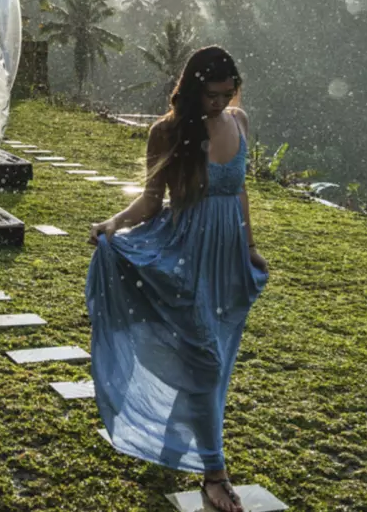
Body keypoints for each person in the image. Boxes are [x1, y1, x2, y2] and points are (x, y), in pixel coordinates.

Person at [86, 45, 269, 512]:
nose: (221, 104)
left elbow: (239, 189)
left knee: (217, 353)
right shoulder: (166, 133)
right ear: (192, 89)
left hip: (227, 258)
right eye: (212, 95)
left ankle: (176, 433)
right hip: (184, 254)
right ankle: (214, 473)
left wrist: (249, 247)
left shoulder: (239, 121)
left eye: (228, 94)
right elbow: (151, 200)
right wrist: (113, 225)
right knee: (206, 359)